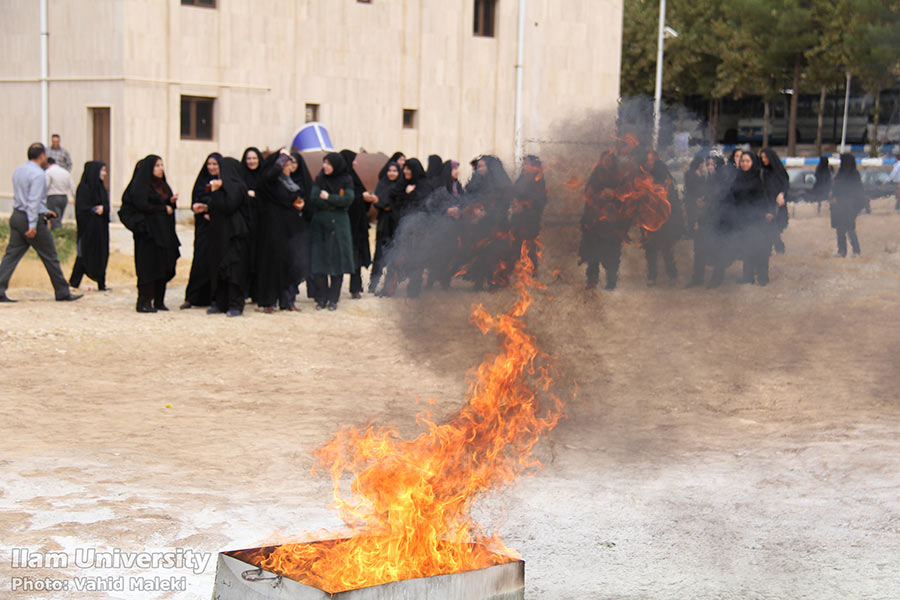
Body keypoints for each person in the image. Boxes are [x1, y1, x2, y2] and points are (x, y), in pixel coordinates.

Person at [0, 143, 82, 303]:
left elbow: (25, 198)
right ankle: (62, 291)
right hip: (30, 219)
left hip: (17, 215)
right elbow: (32, 200)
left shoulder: (19, 171)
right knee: (50, 255)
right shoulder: (38, 175)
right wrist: (32, 224)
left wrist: (45, 211)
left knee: (11, 256)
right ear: (42, 156)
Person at [120, 155, 180, 312]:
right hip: (148, 235)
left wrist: (170, 203)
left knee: (164, 264)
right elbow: (141, 205)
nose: (161, 168)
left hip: (164, 233)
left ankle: (159, 301)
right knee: (148, 267)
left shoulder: (163, 186)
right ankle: (144, 302)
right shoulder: (140, 187)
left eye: (162, 165)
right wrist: (162, 208)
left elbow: (164, 206)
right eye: (157, 166)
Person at [254, 151, 308, 313]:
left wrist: (301, 204)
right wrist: (282, 156)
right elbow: (270, 176)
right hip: (273, 229)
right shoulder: (271, 183)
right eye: (286, 164)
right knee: (273, 264)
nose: (289, 166)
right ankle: (269, 302)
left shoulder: (291, 182)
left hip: (290, 229)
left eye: (290, 163)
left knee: (290, 263)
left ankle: (288, 300)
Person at [716, 151, 773, 286]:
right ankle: (747, 277)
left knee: (760, 249)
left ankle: (763, 278)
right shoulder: (737, 177)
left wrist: (768, 211)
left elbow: (767, 196)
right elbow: (732, 196)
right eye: (742, 161)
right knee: (747, 249)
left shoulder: (760, 177)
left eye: (747, 161)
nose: (744, 164)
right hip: (742, 219)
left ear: (752, 162)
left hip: (758, 218)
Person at [308, 153, 355, 310]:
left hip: (338, 227)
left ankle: (333, 299)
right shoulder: (319, 179)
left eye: (328, 163)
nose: (325, 166)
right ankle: (321, 298)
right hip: (320, 226)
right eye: (324, 163)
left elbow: (348, 199)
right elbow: (314, 198)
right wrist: (336, 203)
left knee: (337, 264)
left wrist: (329, 198)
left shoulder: (346, 179)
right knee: (320, 263)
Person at [206, 157, 251, 316]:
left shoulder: (237, 187)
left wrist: (216, 191)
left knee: (234, 271)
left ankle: (235, 305)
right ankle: (220, 303)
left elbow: (228, 206)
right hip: (220, 235)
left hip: (234, 235)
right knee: (219, 269)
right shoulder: (223, 187)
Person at [578, 151, 627, 291]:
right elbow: (588, 194)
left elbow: (625, 195)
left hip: (612, 223)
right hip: (594, 221)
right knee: (592, 253)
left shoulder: (619, 176)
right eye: (605, 159)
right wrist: (599, 197)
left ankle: (611, 281)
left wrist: (614, 194)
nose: (607, 162)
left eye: (610, 160)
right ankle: (592, 279)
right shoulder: (596, 175)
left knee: (611, 254)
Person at [181, 152, 222, 309]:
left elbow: (223, 201)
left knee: (215, 261)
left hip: (217, 227)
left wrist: (208, 207)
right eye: (209, 164)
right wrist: (201, 207)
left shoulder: (223, 181)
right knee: (200, 259)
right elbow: (196, 199)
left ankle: (214, 297)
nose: (211, 167)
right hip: (203, 228)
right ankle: (193, 297)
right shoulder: (201, 181)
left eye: (215, 164)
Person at [640, 150, 683, 286]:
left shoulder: (666, 184)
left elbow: (674, 204)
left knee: (662, 250)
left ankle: (666, 275)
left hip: (662, 222)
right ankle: (660, 276)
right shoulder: (650, 182)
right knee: (657, 250)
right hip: (654, 221)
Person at [68, 161, 110, 291]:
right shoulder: (84, 188)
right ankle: (74, 282)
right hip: (88, 229)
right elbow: (81, 209)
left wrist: (104, 209)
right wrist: (92, 210)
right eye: (102, 170)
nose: (104, 173)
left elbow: (107, 206)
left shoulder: (101, 188)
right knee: (84, 255)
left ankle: (101, 283)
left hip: (100, 228)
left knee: (101, 253)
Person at [339, 149, 372, 299]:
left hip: (358, 226)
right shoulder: (343, 179)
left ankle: (355, 287)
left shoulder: (353, 177)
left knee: (357, 258)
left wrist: (364, 197)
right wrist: (361, 197)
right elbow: (347, 199)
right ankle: (335, 290)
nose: (355, 162)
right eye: (353, 159)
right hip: (345, 226)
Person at [366, 159, 402, 294]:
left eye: (394, 171)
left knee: (394, 256)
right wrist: (383, 204)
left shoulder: (400, 185)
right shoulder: (382, 183)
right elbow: (379, 204)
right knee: (379, 255)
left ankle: (389, 286)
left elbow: (392, 204)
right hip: (383, 224)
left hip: (396, 224)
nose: (391, 173)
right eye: (389, 170)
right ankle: (373, 285)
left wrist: (384, 204)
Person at [509, 155, 547, 274]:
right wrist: (514, 201)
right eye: (524, 164)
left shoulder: (538, 180)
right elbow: (514, 191)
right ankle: (514, 268)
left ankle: (532, 269)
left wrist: (523, 205)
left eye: (527, 164)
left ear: (534, 167)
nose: (524, 167)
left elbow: (539, 199)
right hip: (518, 217)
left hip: (530, 218)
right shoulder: (522, 178)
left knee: (529, 243)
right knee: (515, 242)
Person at [830, 153, 864, 257]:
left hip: (850, 205)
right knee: (840, 229)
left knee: (850, 228)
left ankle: (856, 251)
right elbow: (836, 188)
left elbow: (857, 190)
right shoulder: (841, 173)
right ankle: (842, 251)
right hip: (839, 206)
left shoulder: (854, 174)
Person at [240, 146, 263, 299]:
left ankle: (257, 292)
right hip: (245, 220)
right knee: (246, 256)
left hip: (261, 221)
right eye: (248, 158)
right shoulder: (241, 175)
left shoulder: (264, 176)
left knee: (259, 257)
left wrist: (256, 194)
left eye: (254, 158)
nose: (251, 161)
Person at [760, 148, 789, 254]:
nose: (764, 160)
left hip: (778, 203)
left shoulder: (779, 170)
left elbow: (785, 184)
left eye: (765, 157)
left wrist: (782, 194)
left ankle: (777, 247)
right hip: (767, 202)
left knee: (775, 227)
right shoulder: (762, 172)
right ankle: (775, 247)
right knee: (769, 226)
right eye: (762, 157)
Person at [45, 157, 75, 230]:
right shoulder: (65, 172)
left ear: (47, 164)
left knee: (55, 220)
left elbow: (45, 186)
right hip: (64, 197)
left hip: (53, 197)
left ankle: (58, 235)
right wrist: (75, 198)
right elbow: (72, 186)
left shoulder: (48, 172)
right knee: (59, 218)